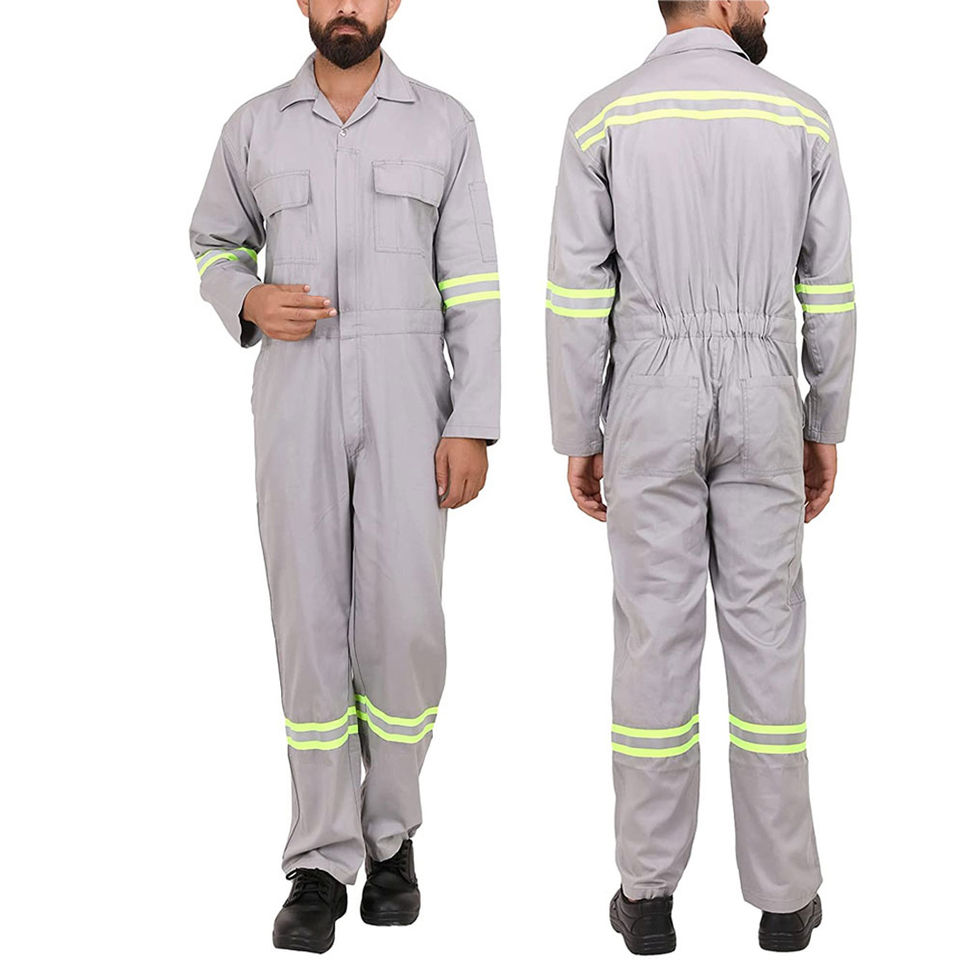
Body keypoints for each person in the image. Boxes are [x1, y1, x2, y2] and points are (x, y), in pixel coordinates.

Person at [189, 1, 500, 952]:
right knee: (310, 624)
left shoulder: (444, 123)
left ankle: (392, 837)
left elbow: (474, 282)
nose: (346, 8)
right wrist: (247, 295)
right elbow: (212, 243)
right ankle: (320, 860)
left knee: (403, 625)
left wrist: (474, 422)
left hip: (410, 401)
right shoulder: (254, 125)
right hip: (297, 396)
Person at [545, 1, 855, 952]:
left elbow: (576, 295)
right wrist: (825, 420)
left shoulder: (602, 118)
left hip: (648, 393)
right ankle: (785, 900)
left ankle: (646, 898)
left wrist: (579, 430)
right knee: (768, 637)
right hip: (765, 388)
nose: (767, 6)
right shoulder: (800, 117)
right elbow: (831, 291)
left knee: (655, 639)